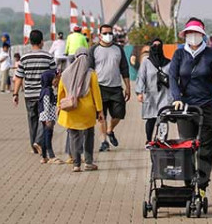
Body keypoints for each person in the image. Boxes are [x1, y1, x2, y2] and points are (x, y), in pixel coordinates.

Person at [168, 17, 212, 199]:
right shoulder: (179, 54)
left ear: (202, 35)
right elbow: (172, 77)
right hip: (185, 107)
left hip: (208, 106)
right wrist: (176, 98)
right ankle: (188, 186)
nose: (193, 36)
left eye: (196, 33)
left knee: (205, 149)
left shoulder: (211, 54)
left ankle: (201, 186)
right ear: (185, 35)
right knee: (186, 146)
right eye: (189, 33)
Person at [58, 47, 104, 172]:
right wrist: (100, 110)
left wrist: (59, 106)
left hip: (72, 109)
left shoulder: (66, 72)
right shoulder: (91, 74)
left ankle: (76, 164)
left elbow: (61, 92)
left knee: (74, 137)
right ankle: (89, 162)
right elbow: (96, 93)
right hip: (87, 111)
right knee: (89, 135)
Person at [13, 29, 56, 155]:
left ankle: (34, 146)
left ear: (30, 41)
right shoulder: (48, 57)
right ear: (42, 42)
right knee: (44, 118)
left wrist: (15, 94)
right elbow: (55, 75)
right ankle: (38, 142)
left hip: (29, 95)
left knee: (32, 120)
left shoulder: (24, 58)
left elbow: (19, 77)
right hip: (44, 95)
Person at [88, 24, 130, 152]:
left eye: (110, 33)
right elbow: (89, 70)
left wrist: (128, 87)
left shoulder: (118, 49)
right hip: (99, 87)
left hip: (116, 87)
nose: (108, 35)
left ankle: (110, 130)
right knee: (101, 116)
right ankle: (104, 141)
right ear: (99, 35)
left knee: (119, 114)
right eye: (105, 33)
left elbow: (124, 68)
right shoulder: (93, 50)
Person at [136, 38, 173, 145]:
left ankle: (162, 140)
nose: (156, 48)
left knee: (163, 119)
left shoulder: (168, 63)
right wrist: (139, 92)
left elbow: (173, 79)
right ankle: (149, 140)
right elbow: (141, 77)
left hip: (164, 95)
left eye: (159, 45)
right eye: (154, 45)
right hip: (150, 95)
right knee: (151, 119)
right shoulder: (146, 62)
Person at [38, 69, 64, 164]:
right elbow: (46, 105)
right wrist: (48, 118)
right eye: (54, 79)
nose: (56, 80)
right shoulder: (48, 91)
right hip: (48, 117)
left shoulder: (44, 90)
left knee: (45, 137)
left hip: (45, 117)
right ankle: (52, 156)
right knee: (48, 136)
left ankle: (44, 157)